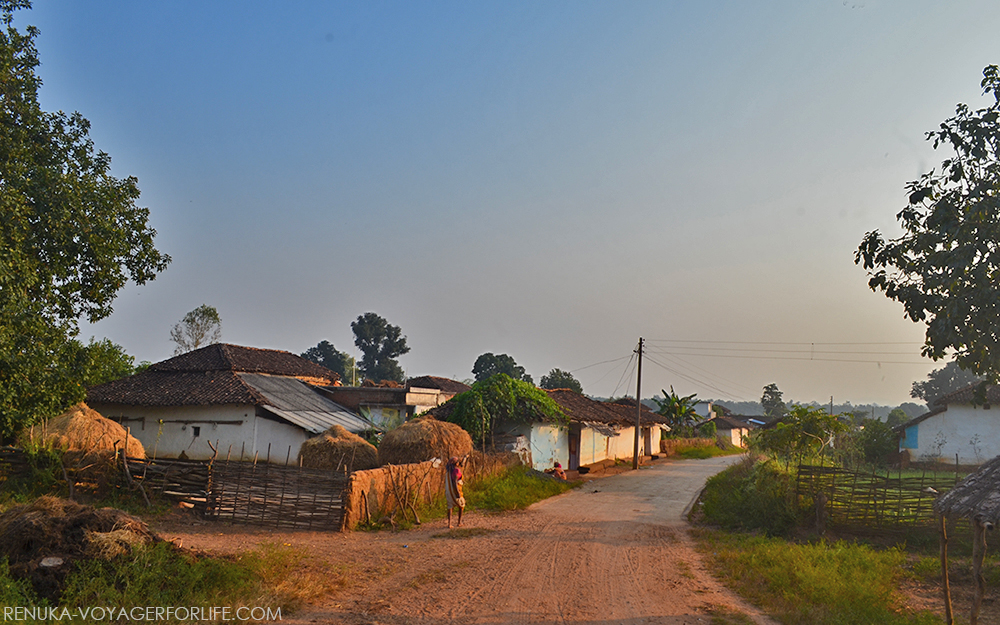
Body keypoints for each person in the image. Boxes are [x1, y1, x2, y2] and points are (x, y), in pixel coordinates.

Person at [445, 456, 465, 528]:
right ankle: (459, 522)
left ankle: (449, 524)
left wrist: (465, 458)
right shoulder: (456, 471)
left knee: (450, 507)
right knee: (461, 505)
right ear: (456, 464)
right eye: (457, 462)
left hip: (450, 492)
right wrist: (457, 492)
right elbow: (455, 482)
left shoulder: (449, 472)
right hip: (457, 490)